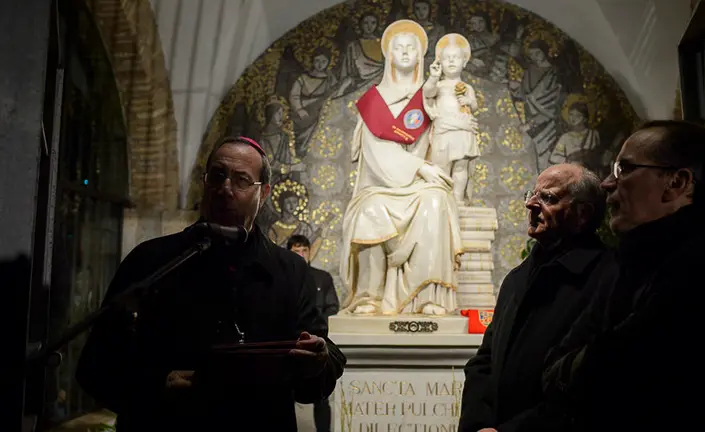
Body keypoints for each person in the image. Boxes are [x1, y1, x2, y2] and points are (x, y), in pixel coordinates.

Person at [76, 136, 346, 431]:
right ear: (204, 183)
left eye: (241, 180)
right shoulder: (151, 260)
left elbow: (316, 377)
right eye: (217, 176)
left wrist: (318, 361)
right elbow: (96, 367)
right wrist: (160, 383)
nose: (225, 189)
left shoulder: (291, 270)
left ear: (264, 193)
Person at [543, 120, 705, 431]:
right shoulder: (624, 264)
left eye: (624, 169)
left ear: (677, 183)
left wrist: (586, 367)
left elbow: (626, 370)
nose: (608, 183)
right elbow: (554, 369)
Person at [459, 163, 616, 432]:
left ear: (582, 214)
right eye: (532, 194)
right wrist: (478, 424)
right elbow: (484, 360)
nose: (531, 204)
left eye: (548, 198)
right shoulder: (516, 279)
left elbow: (594, 383)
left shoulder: (608, 276)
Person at [340, 20, 463, 316]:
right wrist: (419, 167)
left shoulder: (430, 96)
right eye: (399, 47)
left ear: (421, 55)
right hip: (380, 186)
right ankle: (369, 296)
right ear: (389, 55)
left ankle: (427, 296)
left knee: (436, 201)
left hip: (420, 187)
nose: (405, 52)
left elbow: (444, 142)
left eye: (412, 48)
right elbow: (375, 152)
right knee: (370, 210)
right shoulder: (374, 101)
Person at [287, 234, 339, 432]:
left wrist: (317, 331)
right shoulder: (283, 277)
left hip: (318, 341)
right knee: (286, 395)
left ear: (310, 252)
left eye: (304, 250)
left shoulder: (322, 277)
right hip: (291, 342)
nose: (301, 254)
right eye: (296, 251)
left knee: (321, 395)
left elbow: (332, 307)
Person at [423, 33, 479, 206]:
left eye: (456, 58)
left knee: (461, 166)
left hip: (462, 131)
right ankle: (442, 200)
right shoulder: (439, 85)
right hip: (444, 132)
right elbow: (427, 93)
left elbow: (475, 106)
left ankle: (457, 199)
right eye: (447, 58)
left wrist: (469, 101)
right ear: (440, 63)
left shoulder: (467, 87)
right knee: (442, 167)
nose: (452, 61)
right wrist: (433, 77)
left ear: (464, 62)